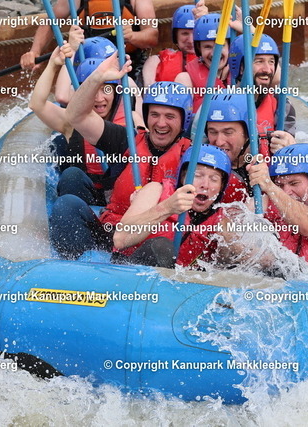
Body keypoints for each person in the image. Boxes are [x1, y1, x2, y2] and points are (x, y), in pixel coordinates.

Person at [49, 54, 193, 259]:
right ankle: (74, 269)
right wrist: (97, 78)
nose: (161, 123)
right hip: (111, 233)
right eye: (154, 115)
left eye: (170, 116)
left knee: (160, 248)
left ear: (184, 120)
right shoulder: (128, 140)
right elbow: (76, 116)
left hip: (151, 244)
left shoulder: (192, 157)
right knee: (67, 204)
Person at [218, 143, 308, 282]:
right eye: (279, 185)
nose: (286, 192)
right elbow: (225, 228)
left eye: (294, 183)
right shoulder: (268, 205)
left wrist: (270, 186)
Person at [28, 34, 142, 206]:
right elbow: (37, 104)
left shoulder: (132, 118)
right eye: (94, 91)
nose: (99, 98)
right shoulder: (70, 122)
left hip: (123, 196)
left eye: (106, 90)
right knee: (71, 175)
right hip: (88, 197)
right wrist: (52, 65)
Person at [112, 144, 231, 269]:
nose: (205, 185)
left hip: (179, 277)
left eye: (214, 179)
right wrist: (167, 208)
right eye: (197, 175)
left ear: (221, 187)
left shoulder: (222, 219)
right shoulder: (156, 190)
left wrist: (230, 244)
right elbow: (120, 239)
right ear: (183, 177)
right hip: (129, 270)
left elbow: (241, 261)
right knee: (162, 246)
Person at [19, 0, 158, 81]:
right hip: (88, 67)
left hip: (128, 65)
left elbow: (152, 36)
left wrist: (132, 36)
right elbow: (51, 22)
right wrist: (35, 51)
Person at [228, 33, 296, 152]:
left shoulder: (281, 104)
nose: (267, 69)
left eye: (271, 62)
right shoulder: (219, 104)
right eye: (259, 61)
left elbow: (290, 151)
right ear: (241, 67)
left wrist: (289, 147)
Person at [141, 3, 204, 86]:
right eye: (185, 33)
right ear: (176, 36)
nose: (191, 40)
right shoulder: (156, 61)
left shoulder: (214, 61)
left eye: (195, 33)